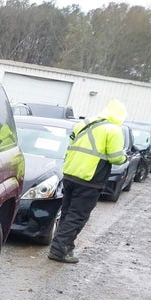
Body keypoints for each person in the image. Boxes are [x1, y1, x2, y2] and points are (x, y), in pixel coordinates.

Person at [48, 99, 127, 264]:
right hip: (89, 178)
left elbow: (71, 145)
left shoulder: (84, 124)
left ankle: (65, 247)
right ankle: (58, 250)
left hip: (70, 174)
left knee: (68, 214)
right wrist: (125, 157)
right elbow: (115, 157)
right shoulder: (113, 130)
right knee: (77, 216)